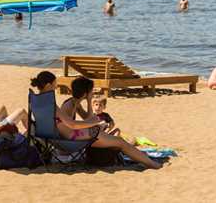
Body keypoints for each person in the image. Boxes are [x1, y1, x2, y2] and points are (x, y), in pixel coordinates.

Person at [30, 71, 161, 169]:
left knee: (109, 135)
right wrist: (94, 123)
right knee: (119, 142)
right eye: (54, 84)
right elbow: (72, 124)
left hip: (65, 137)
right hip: (70, 139)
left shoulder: (43, 102)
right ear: (48, 85)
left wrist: (88, 103)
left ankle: (145, 160)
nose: (55, 87)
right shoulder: (60, 104)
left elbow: (87, 118)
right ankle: (152, 164)